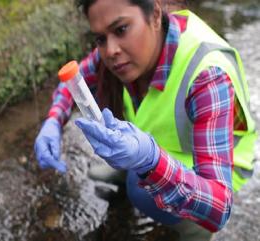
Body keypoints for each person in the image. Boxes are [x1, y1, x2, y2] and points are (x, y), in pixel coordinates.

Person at [34, 0, 257, 240]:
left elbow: (218, 207)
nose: (110, 51)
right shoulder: (124, 52)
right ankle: (128, 168)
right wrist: (54, 121)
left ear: (155, 14)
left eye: (121, 29)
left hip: (219, 167)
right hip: (159, 143)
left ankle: (194, 231)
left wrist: (150, 161)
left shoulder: (207, 76)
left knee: (139, 189)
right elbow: (75, 81)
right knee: (133, 166)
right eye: (100, 38)